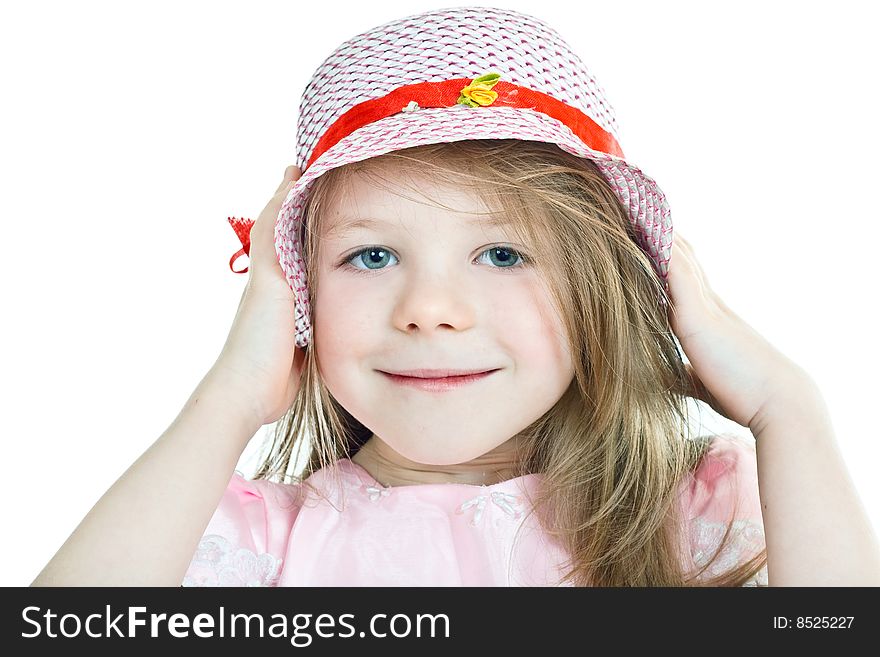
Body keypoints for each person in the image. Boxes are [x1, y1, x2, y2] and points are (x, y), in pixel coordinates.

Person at [32, 7, 880, 587]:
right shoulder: (259, 542)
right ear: (295, 300)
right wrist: (227, 400)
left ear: (607, 288)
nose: (430, 308)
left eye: (503, 251)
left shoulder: (693, 512)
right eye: (370, 255)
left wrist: (787, 407)